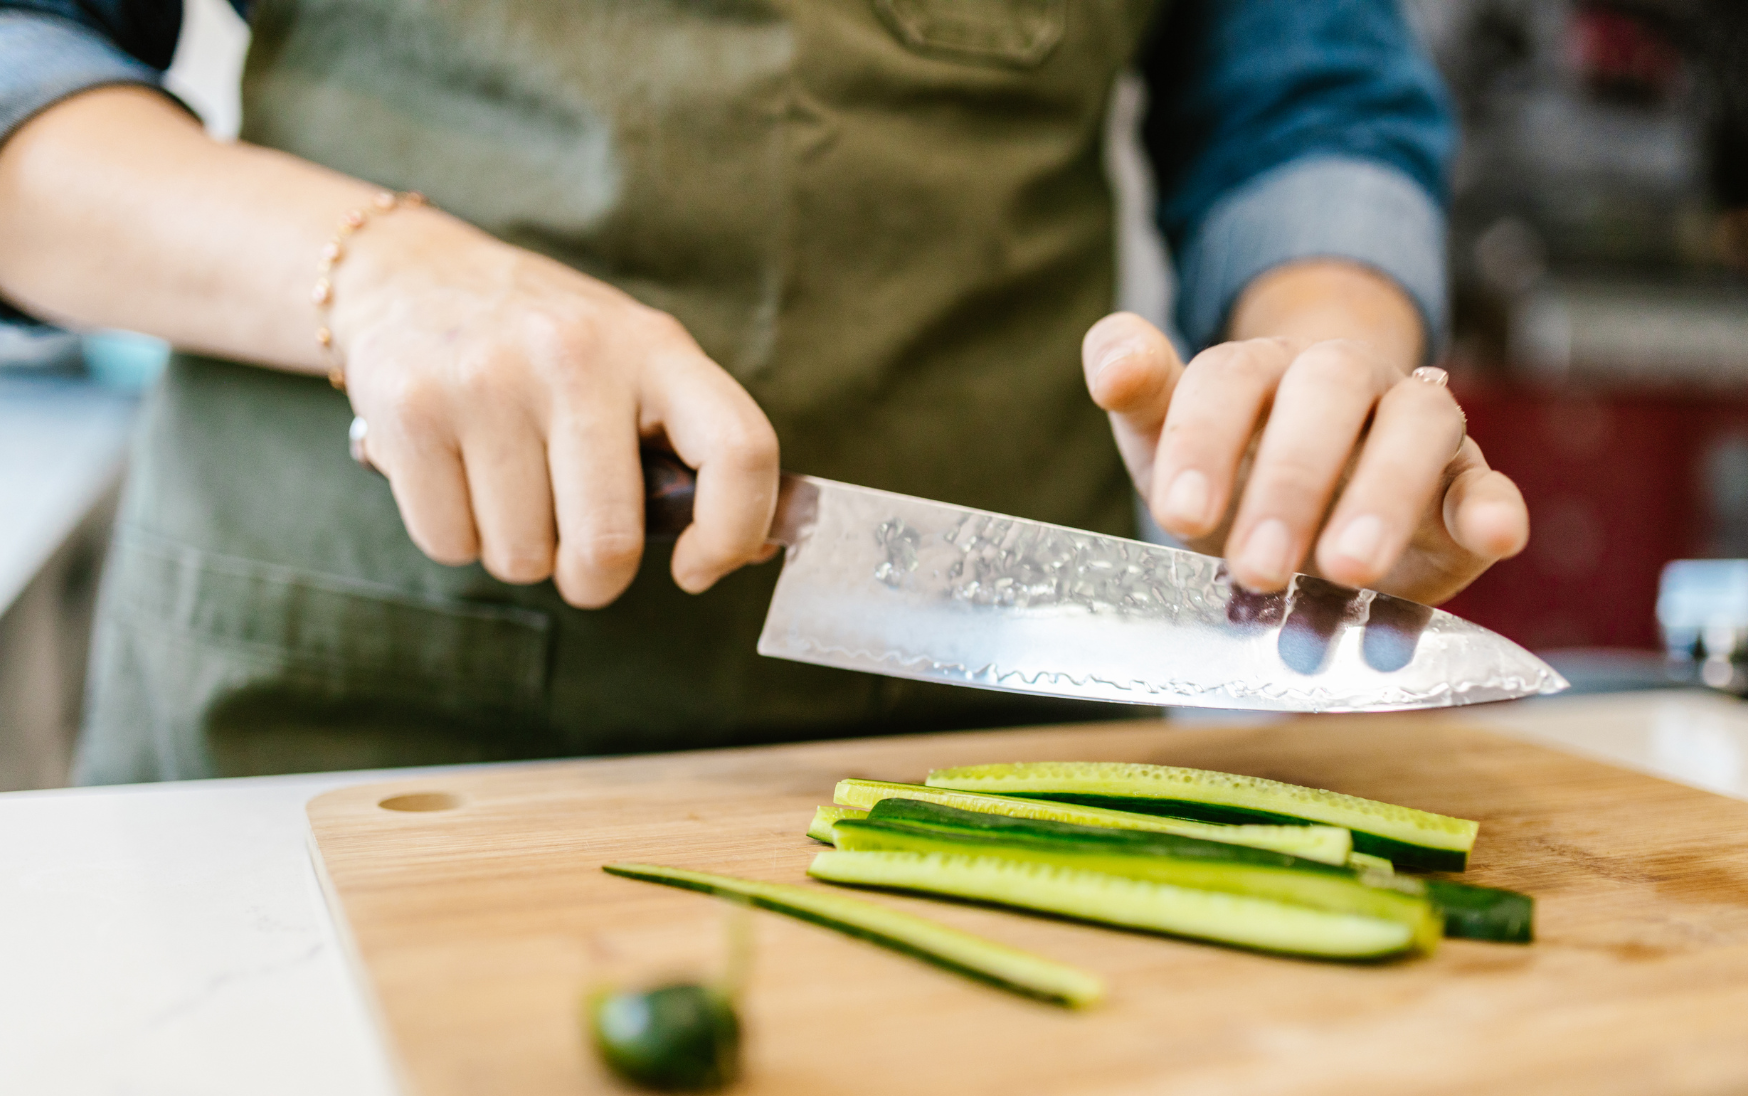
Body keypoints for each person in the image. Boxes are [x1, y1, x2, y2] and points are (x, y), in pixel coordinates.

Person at [0, 0, 1529, 782]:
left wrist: (1328, 384)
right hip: (325, 741)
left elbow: (1307, 95)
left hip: (1002, 740)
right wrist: (373, 272)